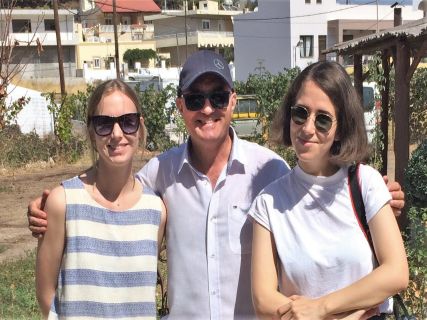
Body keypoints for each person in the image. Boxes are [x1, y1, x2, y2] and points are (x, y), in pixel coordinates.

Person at [29, 51, 405, 320]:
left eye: (218, 97)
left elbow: (323, 195)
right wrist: (49, 209)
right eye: (195, 98)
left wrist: (380, 197)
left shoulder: (269, 171)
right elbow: (113, 202)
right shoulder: (159, 174)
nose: (207, 108)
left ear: (233, 101)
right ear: (180, 107)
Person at [249, 61, 408, 320]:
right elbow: (263, 300)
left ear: (340, 129)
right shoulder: (269, 202)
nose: (308, 128)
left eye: (323, 120)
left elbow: (397, 272)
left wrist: (321, 307)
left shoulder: (366, 183)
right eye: (300, 113)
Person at [35, 79, 167, 319]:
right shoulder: (63, 202)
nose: (117, 134)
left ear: (140, 127)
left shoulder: (155, 211)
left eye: (128, 122)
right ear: (91, 132)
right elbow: (46, 294)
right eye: (104, 124)